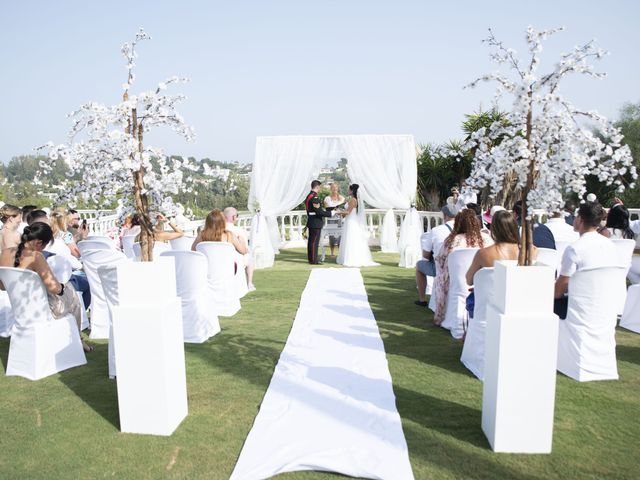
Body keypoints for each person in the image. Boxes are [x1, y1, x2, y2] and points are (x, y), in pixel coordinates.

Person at [0, 222, 92, 352]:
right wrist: (63, 287)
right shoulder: (36, 256)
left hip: (20, 309)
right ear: (39, 243)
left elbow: (3, 287)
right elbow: (54, 288)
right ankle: (77, 341)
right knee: (72, 294)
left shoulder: (4, 254)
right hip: (42, 310)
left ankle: (75, 340)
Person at [554, 201, 620, 319]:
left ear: (580, 219)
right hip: (606, 307)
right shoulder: (611, 246)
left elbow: (558, 292)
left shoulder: (574, 249)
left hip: (579, 309)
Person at [434, 209, 492, 325]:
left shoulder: (453, 240)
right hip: (480, 279)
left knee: (440, 276)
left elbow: (440, 259)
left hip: (456, 281)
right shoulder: (486, 239)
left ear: (458, 223)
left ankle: (441, 314)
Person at [466, 210, 531, 285]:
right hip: (518, 294)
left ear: (494, 229)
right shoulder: (529, 251)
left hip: (492, 295)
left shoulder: (484, 254)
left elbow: (469, 280)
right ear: (514, 228)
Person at [414, 203, 457, 307]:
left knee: (419, 266)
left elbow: (425, 255)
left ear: (444, 216)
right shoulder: (464, 230)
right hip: (460, 268)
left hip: (441, 270)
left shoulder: (436, 230)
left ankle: (422, 299)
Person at [336, 184, 378, 267]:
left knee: (351, 239)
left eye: (349, 190)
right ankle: (348, 257)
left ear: (352, 191)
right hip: (349, 220)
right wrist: (341, 211)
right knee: (349, 238)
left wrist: (338, 212)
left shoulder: (353, 200)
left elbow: (348, 212)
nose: (348, 191)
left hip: (351, 221)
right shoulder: (352, 200)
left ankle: (351, 258)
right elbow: (347, 211)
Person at [223, 206, 255, 291]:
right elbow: (244, 250)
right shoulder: (238, 231)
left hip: (221, 260)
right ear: (234, 217)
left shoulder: (217, 231)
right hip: (235, 262)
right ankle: (249, 283)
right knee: (250, 258)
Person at [304, 180, 334, 265]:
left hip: (312, 221)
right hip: (315, 222)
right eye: (319, 187)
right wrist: (331, 213)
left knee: (311, 242)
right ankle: (313, 260)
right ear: (317, 187)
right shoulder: (314, 198)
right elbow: (319, 212)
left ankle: (311, 259)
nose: (320, 188)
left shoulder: (309, 196)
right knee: (314, 242)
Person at [323, 183, 345, 256]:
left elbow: (343, 208)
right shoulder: (327, 198)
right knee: (331, 237)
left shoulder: (342, 198)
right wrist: (335, 209)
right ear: (330, 189)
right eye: (333, 187)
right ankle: (332, 253)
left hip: (339, 219)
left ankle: (340, 253)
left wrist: (338, 210)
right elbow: (327, 209)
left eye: (336, 187)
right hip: (331, 219)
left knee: (340, 237)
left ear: (338, 188)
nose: (334, 189)